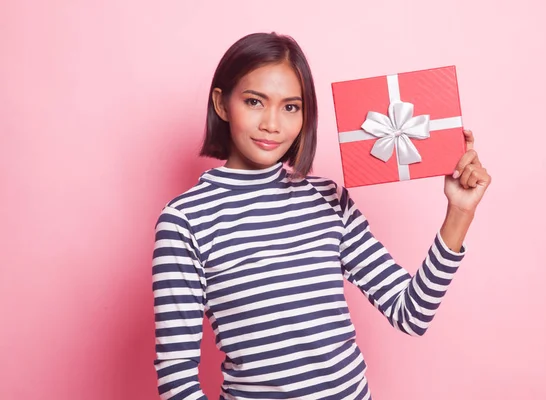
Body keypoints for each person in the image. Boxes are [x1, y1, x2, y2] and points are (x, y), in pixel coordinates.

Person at [151, 32, 491, 400]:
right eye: (254, 101)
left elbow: (410, 313)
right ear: (222, 104)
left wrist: (459, 212)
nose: (272, 124)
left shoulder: (327, 199)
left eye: (290, 107)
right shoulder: (184, 221)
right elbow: (177, 380)